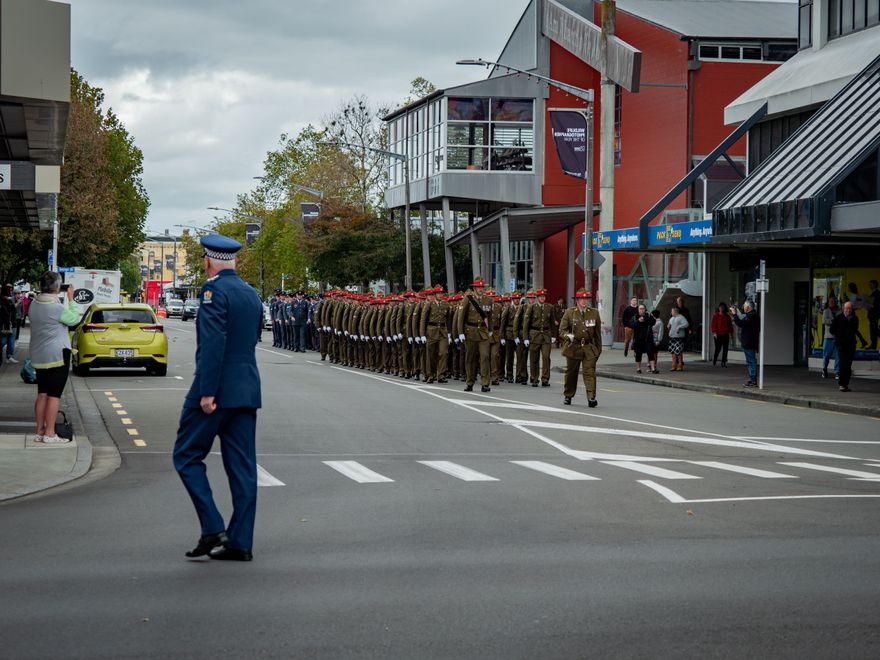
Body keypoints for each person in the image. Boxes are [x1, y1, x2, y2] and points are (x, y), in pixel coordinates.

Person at [172, 234, 263, 562]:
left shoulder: (213, 292)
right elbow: (253, 338)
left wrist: (208, 392)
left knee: (186, 455)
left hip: (216, 390)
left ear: (209, 261)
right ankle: (240, 541)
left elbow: (212, 344)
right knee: (243, 467)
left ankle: (212, 527)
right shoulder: (251, 293)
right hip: (246, 389)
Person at [28, 273, 81, 443]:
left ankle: (39, 431)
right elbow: (74, 320)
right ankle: (50, 433)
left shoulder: (34, 304)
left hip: (38, 354)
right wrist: (71, 300)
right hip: (57, 354)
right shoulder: (56, 308)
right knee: (54, 395)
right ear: (57, 287)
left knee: (42, 393)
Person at [559, 288, 602, 407]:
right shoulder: (570, 312)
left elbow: (597, 334)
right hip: (574, 346)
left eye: (586, 299)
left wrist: (598, 350)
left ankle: (591, 397)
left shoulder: (594, 313)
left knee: (590, 373)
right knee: (571, 373)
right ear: (577, 300)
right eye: (582, 299)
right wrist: (568, 336)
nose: (584, 301)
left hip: (588, 347)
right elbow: (562, 330)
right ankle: (568, 395)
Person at [457, 277, 492, 392]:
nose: (481, 289)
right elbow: (461, 317)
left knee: (485, 357)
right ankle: (470, 382)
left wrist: (490, 330)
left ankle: (485, 383)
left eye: (482, 287)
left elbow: (489, 316)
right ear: (475, 288)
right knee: (470, 359)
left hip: (483, 332)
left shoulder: (488, 300)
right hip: (470, 332)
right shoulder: (468, 299)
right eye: (479, 287)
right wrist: (460, 332)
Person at [524, 288, 557, 387]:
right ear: (537, 297)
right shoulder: (532, 307)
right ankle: (534, 378)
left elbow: (552, 322)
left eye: (544, 296)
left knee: (546, 357)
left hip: (546, 335)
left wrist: (554, 335)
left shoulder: (549, 307)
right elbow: (526, 323)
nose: (542, 298)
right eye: (541, 296)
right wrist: (525, 337)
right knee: (534, 358)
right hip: (535, 334)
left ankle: (545, 378)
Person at [830, 301, 859, 392]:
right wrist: (838, 338)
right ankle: (842, 384)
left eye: (850, 308)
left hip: (851, 345)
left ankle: (846, 384)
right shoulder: (839, 318)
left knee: (848, 365)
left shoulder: (855, 319)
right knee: (842, 364)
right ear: (843, 309)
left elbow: (855, 329)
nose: (848, 310)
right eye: (846, 308)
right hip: (841, 344)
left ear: (852, 309)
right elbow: (832, 329)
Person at [731, 301, 760, 387]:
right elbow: (742, 321)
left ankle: (753, 380)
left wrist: (734, 314)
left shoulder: (752, 316)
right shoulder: (751, 315)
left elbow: (740, 323)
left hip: (749, 342)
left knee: (751, 361)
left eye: (744, 306)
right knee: (750, 361)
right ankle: (752, 379)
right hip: (749, 341)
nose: (743, 307)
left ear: (748, 307)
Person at [629, 303, 655, 374]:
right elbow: (631, 325)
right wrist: (638, 321)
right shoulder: (635, 317)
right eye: (640, 309)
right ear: (638, 310)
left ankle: (653, 368)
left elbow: (653, 322)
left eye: (643, 308)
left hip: (647, 339)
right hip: (638, 339)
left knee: (650, 353)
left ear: (645, 309)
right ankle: (638, 369)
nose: (641, 310)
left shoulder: (648, 316)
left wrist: (647, 318)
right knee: (638, 354)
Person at [821, 296, 840, 379]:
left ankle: (837, 372)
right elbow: (824, 321)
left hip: (838, 337)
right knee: (826, 355)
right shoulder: (826, 311)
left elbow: (842, 321)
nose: (832, 302)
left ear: (836, 302)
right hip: (828, 337)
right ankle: (824, 370)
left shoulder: (840, 311)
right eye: (830, 301)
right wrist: (834, 321)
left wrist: (832, 321)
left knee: (838, 356)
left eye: (833, 301)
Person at [666, 306, 689, 372]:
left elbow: (686, 324)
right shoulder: (672, 318)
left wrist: (679, 326)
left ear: (675, 311)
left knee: (678, 351)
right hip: (672, 336)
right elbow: (669, 324)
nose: (671, 312)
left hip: (678, 337)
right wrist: (668, 325)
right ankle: (674, 365)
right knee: (672, 351)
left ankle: (680, 364)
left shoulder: (681, 317)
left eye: (672, 311)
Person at [711, 302, 733, 367]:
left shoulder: (727, 316)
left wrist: (731, 334)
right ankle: (715, 360)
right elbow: (713, 325)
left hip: (725, 334)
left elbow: (730, 326)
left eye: (723, 307)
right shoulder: (716, 316)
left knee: (725, 349)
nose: (721, 308)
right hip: (718, 334)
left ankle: (723, 362)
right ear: (718, 308)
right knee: (718, 348)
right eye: (720, 307)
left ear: (724, 308)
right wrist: (714, 333)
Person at [0, 284, 17, 364]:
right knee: (3, 341)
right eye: (9, 290)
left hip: (10, 323)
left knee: (9, 340)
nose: (10, 291)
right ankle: (9, 356)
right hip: (5, 324)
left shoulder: (8, 299)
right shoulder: (2, 299)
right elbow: (6, 313)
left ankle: (9, 356)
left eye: (11, 290)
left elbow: (12, 309)